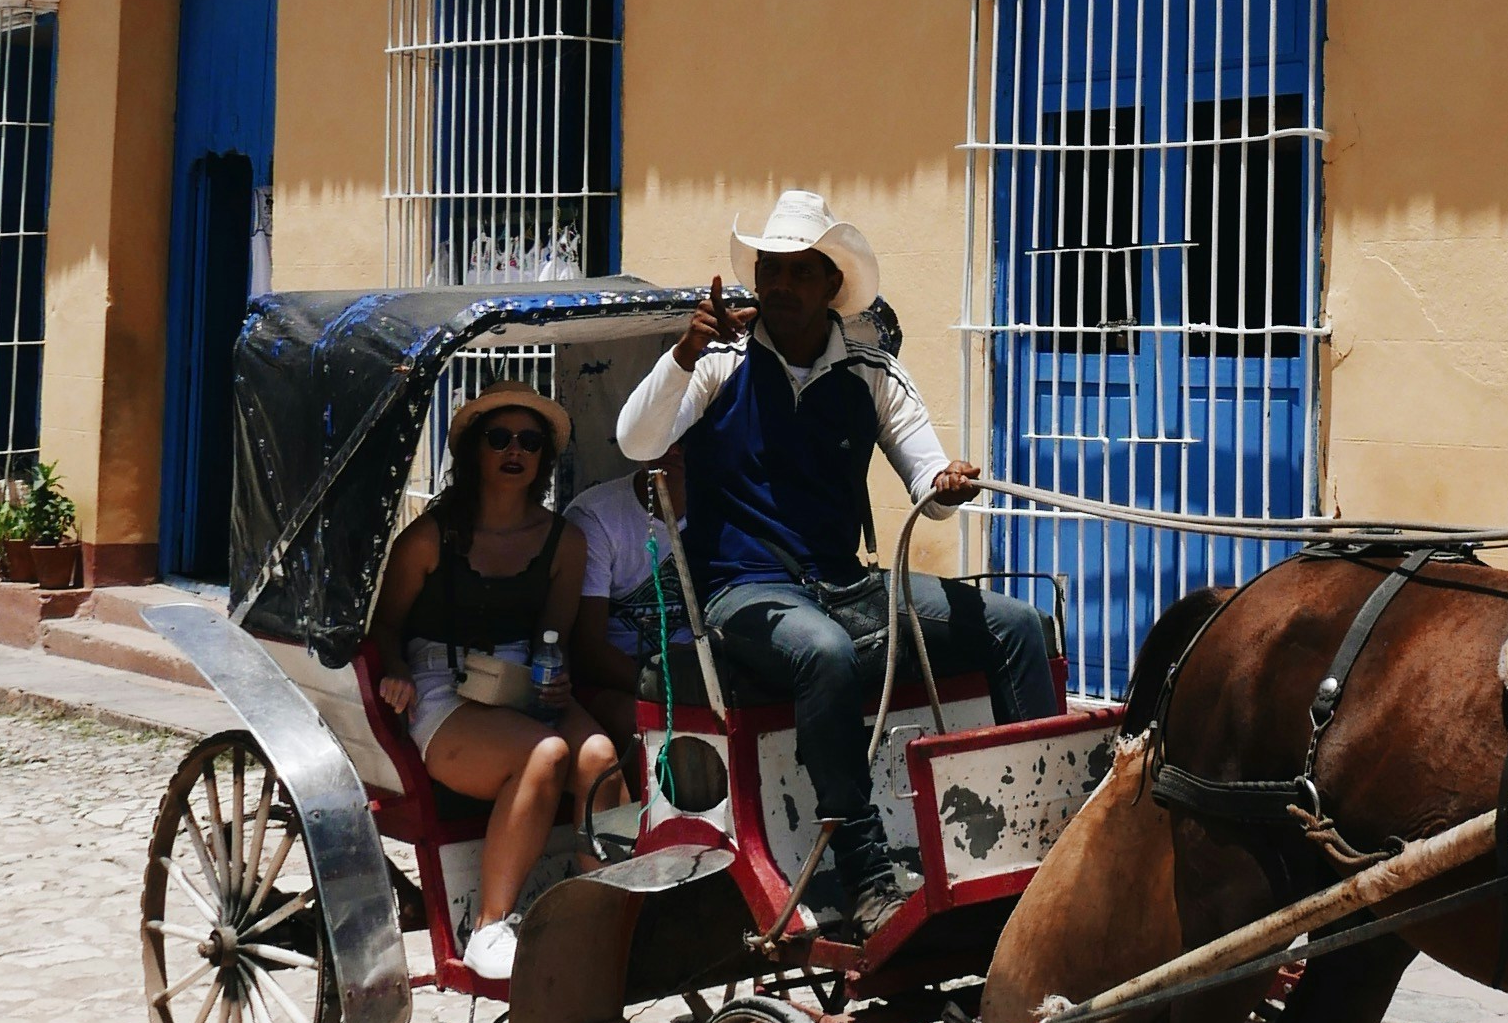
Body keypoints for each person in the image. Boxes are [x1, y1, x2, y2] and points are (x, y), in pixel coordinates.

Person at [615, 189, 1055, 928]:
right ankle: (865, 870)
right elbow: (635, 441)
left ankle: (1039, 827)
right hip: (741, 589)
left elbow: (929, 487)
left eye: (795, 272)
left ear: (829, 286)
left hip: (843, 582)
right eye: (768, 269)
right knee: (823, 653)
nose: (776, 285)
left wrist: (947, 486)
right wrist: (683, 351)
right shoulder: (717, 361)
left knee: (1018, 625)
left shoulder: (871, 371)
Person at [369, 384, 626, 977]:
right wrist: (399, 670)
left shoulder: (566, 541)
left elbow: (553, 640)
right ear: (473, 452)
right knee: (544, 754)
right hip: (441, 683)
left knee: (600, 757)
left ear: (542, 459)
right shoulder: (431, 537)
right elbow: (385, 625)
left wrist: (555, 678)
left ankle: (601, 916)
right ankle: (490, 928)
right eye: (500, 438)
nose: (515, 451)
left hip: (520, 680)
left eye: (530, 442)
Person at [565, 448, 685, 770]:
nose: (673, 446)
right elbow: (588, 650)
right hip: (616, 681)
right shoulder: (597, 516)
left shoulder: (731, 505)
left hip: (695, 675)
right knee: (643, 727)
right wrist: (675, 689)